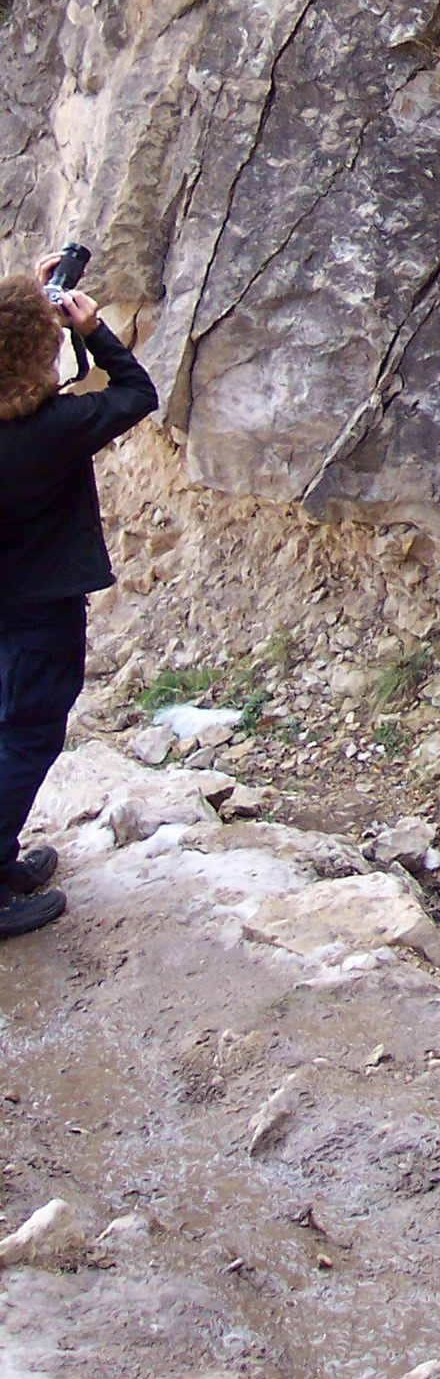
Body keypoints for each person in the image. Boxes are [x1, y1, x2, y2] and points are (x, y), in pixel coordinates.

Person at [0, 257, 158, 939]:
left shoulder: (44, 423)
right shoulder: (55, 428)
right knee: (27, 735)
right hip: (40, 609)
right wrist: (91, 330)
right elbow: (137, 392)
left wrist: (32, 298)